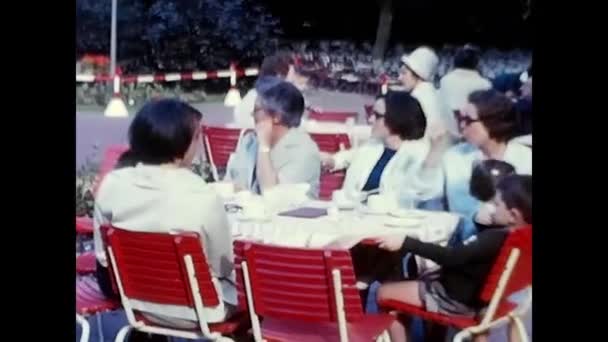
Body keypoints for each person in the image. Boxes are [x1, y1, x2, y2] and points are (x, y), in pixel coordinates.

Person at [93, 99, 236, 331]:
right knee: (253, 297)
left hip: (135, 302)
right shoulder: (202, 194)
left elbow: (103, 256)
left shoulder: (113, 183)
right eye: (197, 137)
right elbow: (222, 266)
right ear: (180, 145)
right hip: (201, 310)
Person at [374, 174, 532, 342]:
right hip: (489, 301)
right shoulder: (524, 237)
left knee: (384, 293)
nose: (491, 208)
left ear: (513, 215)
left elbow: (451, 257)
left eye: (497, 204)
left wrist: (406, 242)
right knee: (424, 275)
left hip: (456, 300)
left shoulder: (494, 238)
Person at [419, 89, 532, 243]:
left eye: (468, 120)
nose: (461, 125)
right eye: (459, 117)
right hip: (463, 242)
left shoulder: (526, 160)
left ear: (492, 122)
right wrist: (434, 151)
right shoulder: (454, 157)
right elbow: (425, 195)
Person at [326, 91, 430, 206]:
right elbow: (348, 156)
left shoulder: (418, 156)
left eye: (377, 115)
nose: (370, 120)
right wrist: (331, 161)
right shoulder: (373, 146)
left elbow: (421, 191)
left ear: (396, 118)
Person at [225, 78, 321, 198]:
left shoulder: (305, 152)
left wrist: (264, 147)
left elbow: (272, 196)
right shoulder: (249, 142)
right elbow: (228, 185)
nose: (252, 115)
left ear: (276, 116)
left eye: (256, 110)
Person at [233, 53, 309, 127]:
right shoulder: (281, 100)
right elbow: (301, 127)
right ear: (279, 76)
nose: (295, 79)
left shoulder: (251, 96)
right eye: (294, 74)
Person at [439, 45, 492, 139]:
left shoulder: (445, 81)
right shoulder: (485, 84)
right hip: (473, 137)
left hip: (447, 135)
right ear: (476, 63)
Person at [399, 46, 449, 139]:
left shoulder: (417, 98)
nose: (400, 78)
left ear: (418, 75)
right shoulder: (432, 93)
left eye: (404, 73)